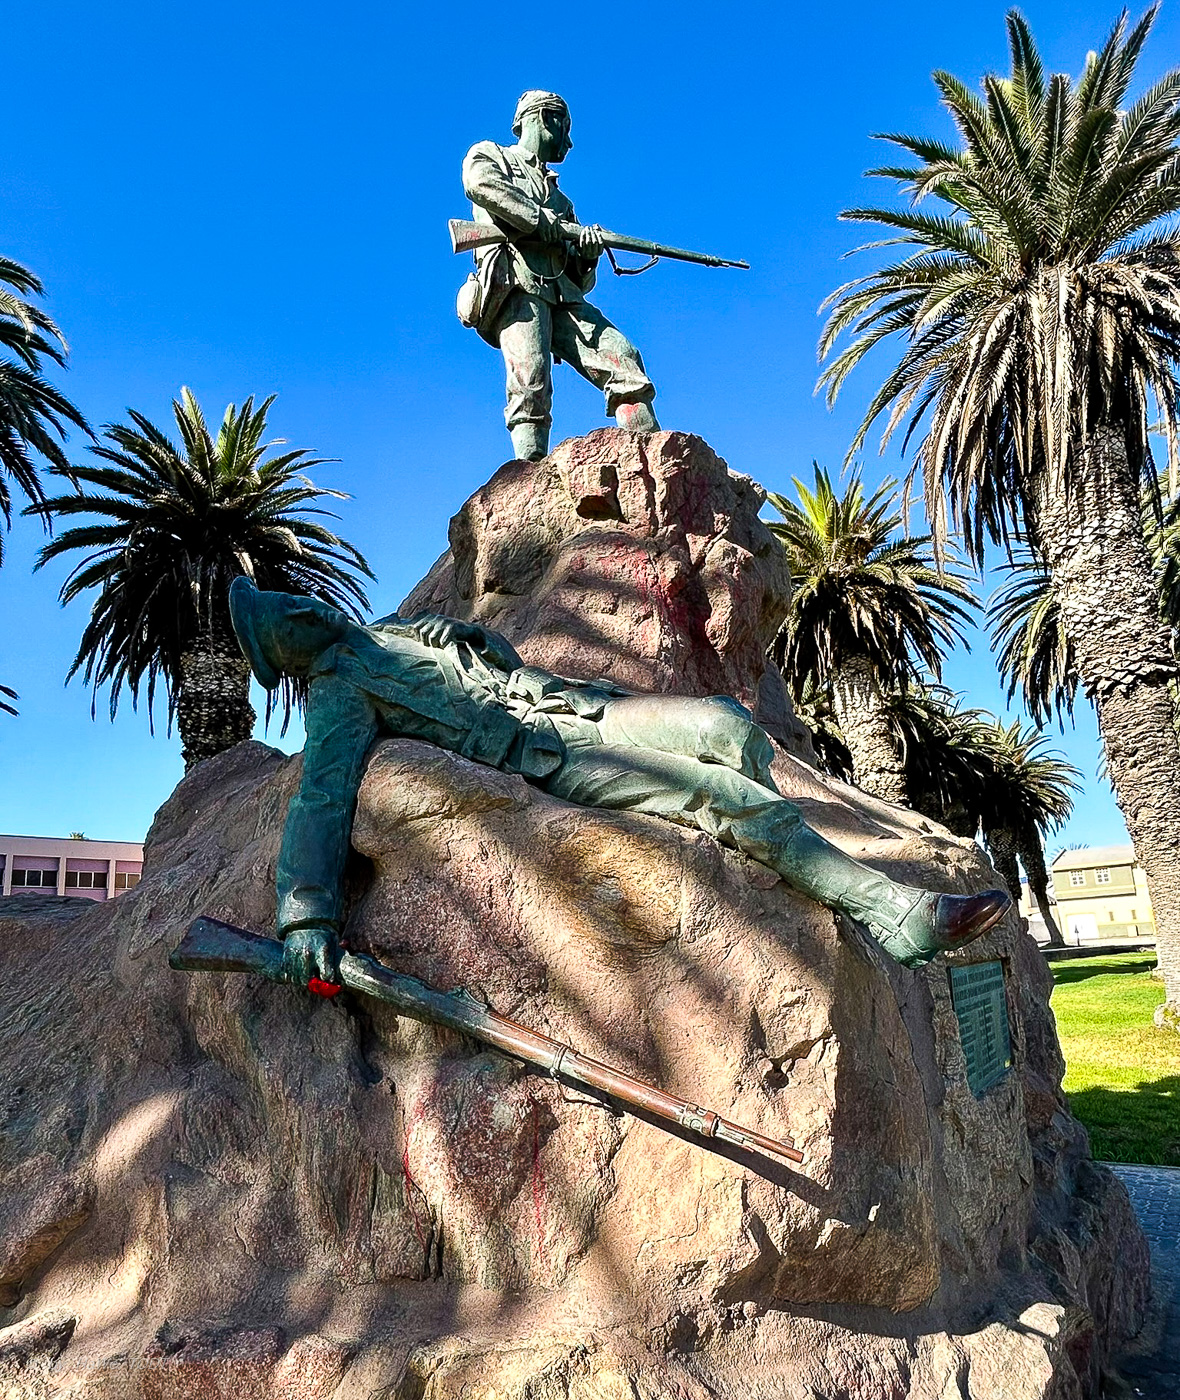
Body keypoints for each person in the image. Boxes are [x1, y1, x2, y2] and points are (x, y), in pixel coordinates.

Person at [228, 578, 1010, 988]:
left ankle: (784, 852)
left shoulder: (391, 633)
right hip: (548, 755)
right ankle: (892, 913)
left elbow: (499, 665)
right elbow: (321, 799)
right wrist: (306, 917)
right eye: (283, 618)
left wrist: (466, 639)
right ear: (286, 653)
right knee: (726, 796)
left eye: (292, 599)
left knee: (726, 728)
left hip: (580, 707)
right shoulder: (337, 695)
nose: (301, 606)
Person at [460, 91, 659, 462]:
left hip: (563, 294)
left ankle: (652, 457)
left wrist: (588, 256)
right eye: (565, 128)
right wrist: (538, 220)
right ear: (543, 119)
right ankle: (528, 475)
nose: (568, 141)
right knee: (530, 380)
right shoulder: (490, 155)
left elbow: (580, 280)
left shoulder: (563, 202)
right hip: (516, 284)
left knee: (621, 355)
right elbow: (480, 184)